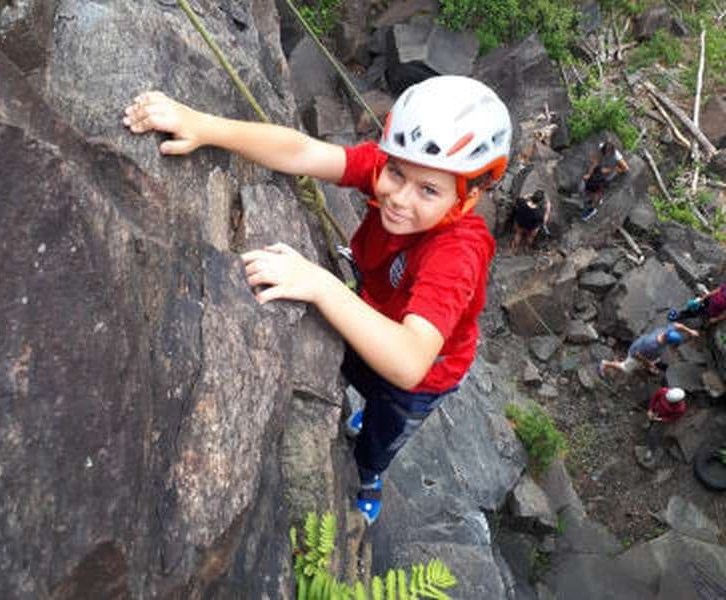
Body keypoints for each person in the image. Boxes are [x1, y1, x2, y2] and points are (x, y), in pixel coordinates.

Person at [123, 76, 510, 525]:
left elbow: (408, 363)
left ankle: (368, 476)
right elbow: (303, 152)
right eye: (397, 173)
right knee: (358, 374)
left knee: (380, 436)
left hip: (422, 380)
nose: (399, 198)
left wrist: (321, 284)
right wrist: (206, 126)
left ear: (470, 197)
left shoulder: (457, 254)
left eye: (429, 191)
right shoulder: (392, 171)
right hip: (374, 314)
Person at [598, 323, 699, 378]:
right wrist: (648, 364)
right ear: (668, 341)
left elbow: (677, 325)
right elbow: (637, 354)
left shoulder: (666, 331)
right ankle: (605, 363)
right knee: (625, 368)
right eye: (672, 344)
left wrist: (690, 331)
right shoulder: (652, 345)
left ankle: (648, 365)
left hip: (643, 347)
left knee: (655, 360)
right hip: (636, 353)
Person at [580, 141, 629, 221]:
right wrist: (589, 174)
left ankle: (592, 209)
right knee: (590, 183)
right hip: (600, 170)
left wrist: (609, 170)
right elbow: (595, 161)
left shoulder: (617, 156)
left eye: (607, 153)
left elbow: (625, 168)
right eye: (605, 152)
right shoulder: (601, 147)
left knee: (598, 189)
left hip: (609, 172)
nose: (606, 154)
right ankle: (593, 198)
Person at [639, 387, 687, 467]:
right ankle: (648, 423)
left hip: (662, 418)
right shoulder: (663, 391)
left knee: (653, 434)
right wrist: (650, 409)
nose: (666, 400)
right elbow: (654, 398)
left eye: (669, 402)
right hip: (655, 411)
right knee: (649, 418)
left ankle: (651, 450)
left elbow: (672, 418)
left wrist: (660, 419)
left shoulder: (680, 408)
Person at [510, 189, 550, 254]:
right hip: (530, 227)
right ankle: (526, 247)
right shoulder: (539, 212)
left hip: (520, 223)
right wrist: (548, 209)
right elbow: (543, 222)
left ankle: (515, 249)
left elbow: (519, 199)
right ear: (540, 201)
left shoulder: (522, 202)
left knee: (518, 234)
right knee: (531, 236)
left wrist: (528, 196)